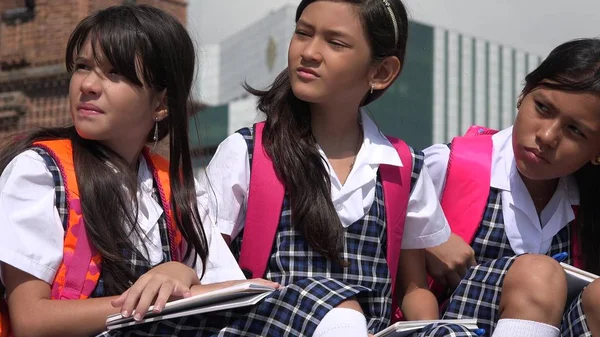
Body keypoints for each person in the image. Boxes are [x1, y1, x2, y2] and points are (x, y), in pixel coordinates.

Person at [0, 5, 275, 337]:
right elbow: (31, 320)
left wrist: (178, 273)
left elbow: (225, 291)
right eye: (82, 67)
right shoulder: (40, 173)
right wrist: (151, 304)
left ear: (160, 103)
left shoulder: (175, 190)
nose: (87, 84)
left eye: (114, 72)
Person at [185, 0, 454, 336]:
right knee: (340, 312)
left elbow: (413, 288)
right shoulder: (248, 153)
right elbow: (200, 266)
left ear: (381, 72)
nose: (309, 52)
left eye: (335, 42)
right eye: (303, 33)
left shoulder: (403, 168)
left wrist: (425, 327)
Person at [421, 38, 600, 337]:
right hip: (445, 326)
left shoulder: (586, 205)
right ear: (523, 94)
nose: (547, 136)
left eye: (575, 130)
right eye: (542, 107)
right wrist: (423, 235)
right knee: (538, 274)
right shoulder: (447, 165)